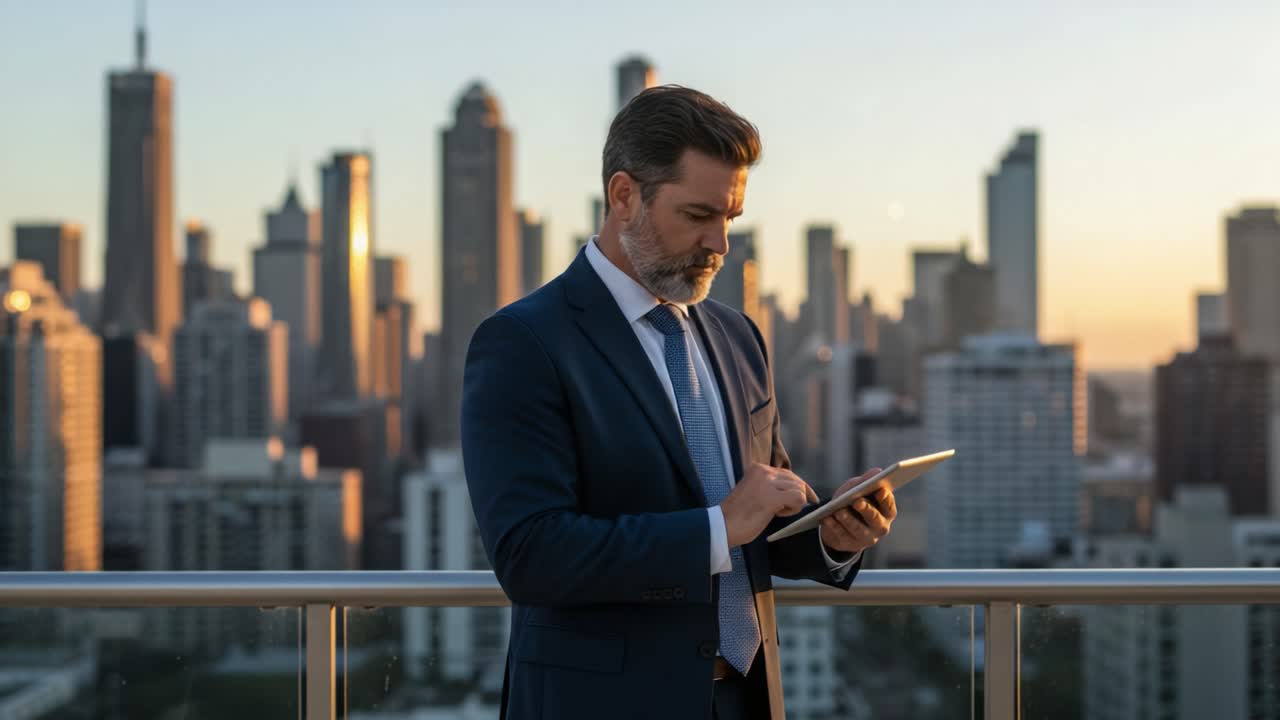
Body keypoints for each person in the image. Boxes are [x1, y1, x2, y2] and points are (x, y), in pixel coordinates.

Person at [462, 85, 897, 720]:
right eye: (698, 216)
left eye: (730, 219)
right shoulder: (523, 343)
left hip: (746, 697)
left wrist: (830, 534)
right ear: (623, 196)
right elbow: (531, 556)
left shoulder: (738, 336)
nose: (720, 243)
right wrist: (718, 527)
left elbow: (758, 524)